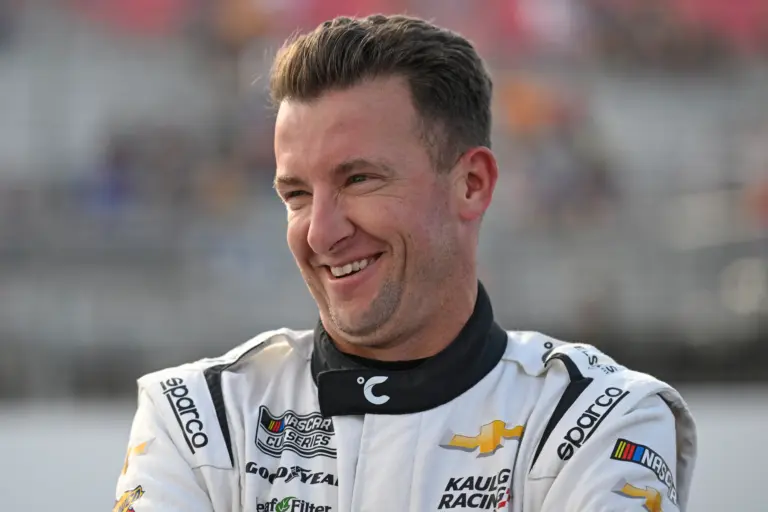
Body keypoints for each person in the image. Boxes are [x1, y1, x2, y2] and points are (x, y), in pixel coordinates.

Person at [113, 14, 696, 512]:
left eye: (359, 179)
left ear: (471, 185)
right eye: (296, 195)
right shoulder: (198, 417)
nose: (321, 231)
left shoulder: (600, 419)